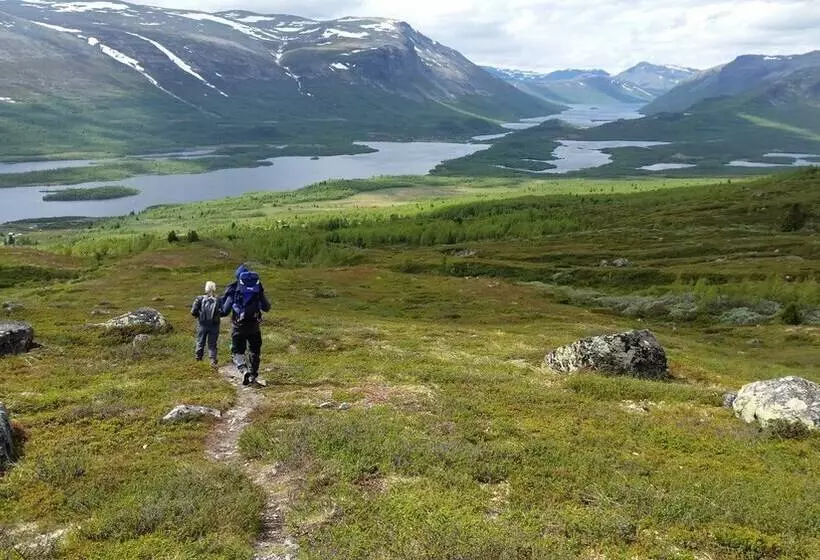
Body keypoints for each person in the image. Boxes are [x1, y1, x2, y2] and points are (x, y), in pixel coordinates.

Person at [222, 264, 271, 386]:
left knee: (237, 351)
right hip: (254, 326)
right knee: (254, 350)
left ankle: (243, 371)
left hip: (238, 327)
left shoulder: (233, 289)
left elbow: (225, 311)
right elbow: (266, 307)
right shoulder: (257, 289)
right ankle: (253, 375)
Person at [191, 281, 222, 368]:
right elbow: (223, 311)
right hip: (214, 325)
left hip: (202, 324)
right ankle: (212, 360)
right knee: (212, 344)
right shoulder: (218, 299)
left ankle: (198, 359)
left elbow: (193, 312)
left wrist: (199, 317)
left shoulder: (199, 299)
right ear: (214, 288)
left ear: (206, 288)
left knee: (200, 342)